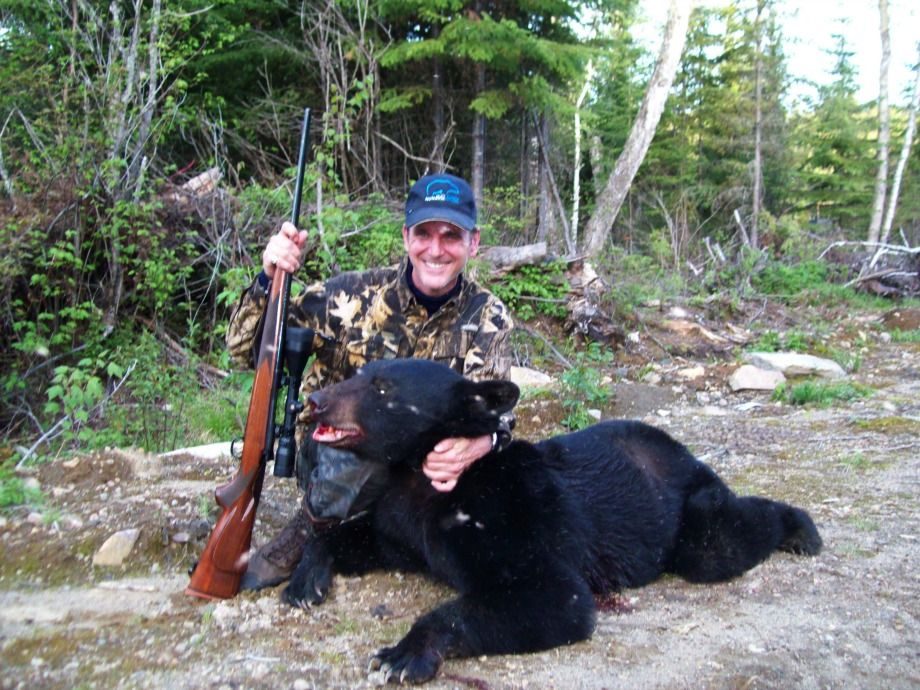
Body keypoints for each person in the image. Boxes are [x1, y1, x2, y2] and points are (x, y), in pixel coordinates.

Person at [225, 173, 514, 591]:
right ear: (405, 237)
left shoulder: (488, 316)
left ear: (473, 243)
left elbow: (491, 408)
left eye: (451, 235)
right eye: (424, 233)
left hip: (419, 468)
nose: (436, 249)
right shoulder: (347, 297)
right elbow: (245, 351)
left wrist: (481, 443)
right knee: (374, 439)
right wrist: (269, 280)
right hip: (336, 451)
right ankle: (308, 529)